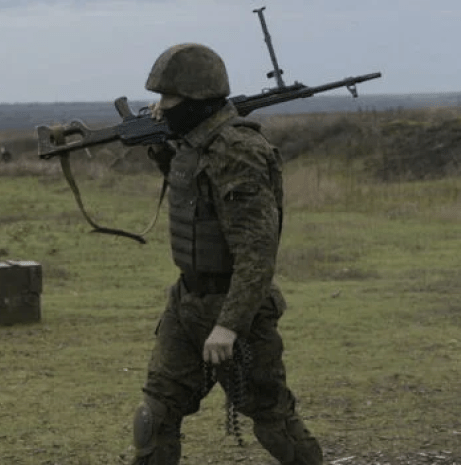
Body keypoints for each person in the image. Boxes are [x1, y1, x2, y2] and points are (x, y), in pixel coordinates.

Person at [128, 43, 323, 465]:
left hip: (236, 310)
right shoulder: (194, 143)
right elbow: (194, 193)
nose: (162, 107)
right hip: (187, 302)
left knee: (274, 421)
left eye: (169, 99)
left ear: (197, 99)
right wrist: (161, 142)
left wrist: (230, 326)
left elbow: (256, 251)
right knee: (155, 415)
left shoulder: (237, 150)